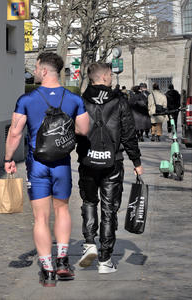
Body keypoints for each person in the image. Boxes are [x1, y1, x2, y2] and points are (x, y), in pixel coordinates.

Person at [4, 52, 89, 287]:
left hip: (37, 165)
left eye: (36, 66)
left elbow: (14, 133)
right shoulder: (74, 99)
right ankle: (63, 261)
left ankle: (48, 271)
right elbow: (83, 129)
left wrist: (8, 158)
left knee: (41, 217)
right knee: (62, 210)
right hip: (62, 163)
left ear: (43, 70)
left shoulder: (27, 99)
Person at [76, 62, 144, 274]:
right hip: (112, 162)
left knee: (88, 201)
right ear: (105, 77)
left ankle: (89, 243)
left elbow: (74, 129)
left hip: (87, 160)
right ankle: (105, 259)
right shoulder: (119, 101)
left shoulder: (80, 101)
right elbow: (128, 134)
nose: (113, 79)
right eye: (111, 76)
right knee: (109, 209)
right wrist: (137, 162)